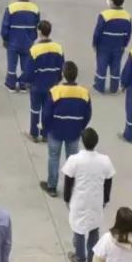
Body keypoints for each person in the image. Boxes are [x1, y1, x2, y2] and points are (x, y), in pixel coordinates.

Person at [62, 127, 115, 262]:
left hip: (79, 200)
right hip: (96, 200)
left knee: (78, 230)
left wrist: (67, 198)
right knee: (94, 229)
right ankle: (91, 260)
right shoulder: (104, 160)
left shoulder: (74, 160)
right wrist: (105, 199)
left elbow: (68, 181)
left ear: (82, 141)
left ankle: (80, 259)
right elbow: (108, 181)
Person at [40, 61, 92, 198]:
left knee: (54, 157)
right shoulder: (84, 93)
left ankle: (52, 187)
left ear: (63, 74)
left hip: (55, 131)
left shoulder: (55, 91)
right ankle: (70, 189)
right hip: (74, 132)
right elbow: (87, 115)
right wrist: (80, 127)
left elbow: (46, 114)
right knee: (72, 160)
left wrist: (46, 128)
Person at [25, 21, 64, 143]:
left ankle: (34, 134)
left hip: (37, 85)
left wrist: (28, 82)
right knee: (48, 110)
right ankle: (45, 134)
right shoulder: (58, 48)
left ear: (39, 31)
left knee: (35, 110)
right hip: (52, 85)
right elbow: (61, 67)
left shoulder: (34, 49)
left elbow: (29, 70)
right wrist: (57, 79)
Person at [0, 0, 39, 93]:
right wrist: (32, 39)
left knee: (12, 65)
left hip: (13, 42)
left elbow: (5, 26)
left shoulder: (11, 8)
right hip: (28, 42)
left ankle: (11, 85)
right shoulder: (35, 9)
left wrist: (5, 39)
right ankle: (23, 85)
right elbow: (36, 26)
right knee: (25, 65)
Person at [91, 0, 132, 95]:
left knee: (101, 66)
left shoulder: (104, 15)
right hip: (119, 46)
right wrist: (124, 44)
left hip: (104, 46)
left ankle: (99, 86)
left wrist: (94, 43)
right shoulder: (127, 16)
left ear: (112, 2)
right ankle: (114, 88)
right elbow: (128, 33)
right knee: (116, 66)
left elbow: (98, 31)